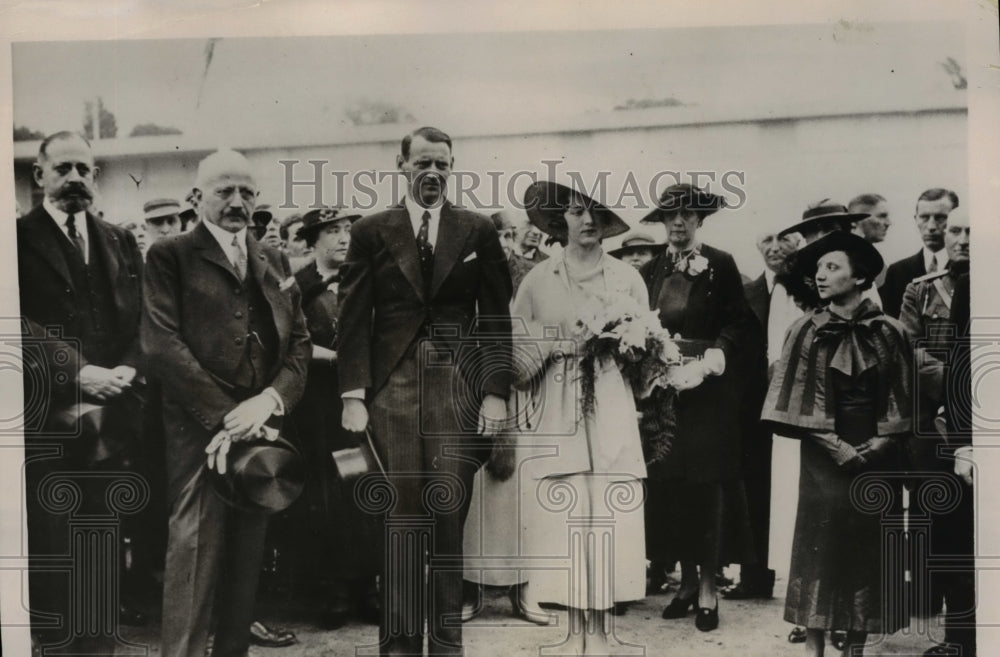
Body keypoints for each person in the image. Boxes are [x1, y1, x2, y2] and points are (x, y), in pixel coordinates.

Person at [337, 126, 512, 656]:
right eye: (423, 165)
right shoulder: (372, 230)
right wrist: (352, 394)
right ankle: (399, 645)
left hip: (456, 386)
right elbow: (352, 316)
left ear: (451, 168)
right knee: (399, 516)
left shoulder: (477, 230)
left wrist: (495, 392)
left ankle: (446, 645)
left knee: (447, 512)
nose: (432, 174)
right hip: (392, 388)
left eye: (442, 165)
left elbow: (496, 318)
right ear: (402, 165)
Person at [141, 149, 311, 657]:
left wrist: (270, 402)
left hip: (261, 431)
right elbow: (161, 344)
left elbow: (299, 342)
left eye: (247, 192)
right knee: (194, 559)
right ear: (197, 198)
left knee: (246, 563)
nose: (238, 202)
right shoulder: (170, 254)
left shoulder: (273, 258)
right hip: (199, 434)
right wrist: (224, 416)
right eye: (224, 191)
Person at [18, 130, 145, 656]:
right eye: (64, 167)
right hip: (47, 415)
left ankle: (99, 645)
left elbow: (145, 318)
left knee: (103, 535)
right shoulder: (14, 239)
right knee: (52, 538)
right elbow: (12, 319)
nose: (75, 178)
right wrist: (77, 371)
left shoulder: (118, 239)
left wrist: (127, 371)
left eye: (84, 169)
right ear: (40, 175)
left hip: (113, 412)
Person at [762, 230, 911, 657]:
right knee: (820, 544)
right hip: (823, 456)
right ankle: (814, 645)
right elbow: (794, 397)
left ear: (860, 276)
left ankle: (857, 646)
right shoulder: (806, 331)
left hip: (875, 456)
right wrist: (835, 446)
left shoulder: (890, 330)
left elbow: (903, 397)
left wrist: (880, 444)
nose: (821, 276)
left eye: (832, 267)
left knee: (868, 545)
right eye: (819, 269)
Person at [513, 178, 646, 655]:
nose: (586, 220)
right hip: (559, 403)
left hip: (609, 401)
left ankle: (603, 636)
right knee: (567, 517)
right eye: (575, 211)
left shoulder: (627, 279)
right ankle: (574, 636)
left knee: (608, 511)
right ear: (558, 221)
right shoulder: (537, 280)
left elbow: (645, 354)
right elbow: (516, 363)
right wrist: (555, 343)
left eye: (595, 211)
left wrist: (620, 344)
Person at [638, 183, 756, 632]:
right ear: (662, 221)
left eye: (687, 215)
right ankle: (685, 583)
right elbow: (640, 325)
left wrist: (714, 357)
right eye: (671, 215)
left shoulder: (721, 264)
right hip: (664, 394)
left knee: (706, 490)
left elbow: (739, 321)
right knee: (671, 488)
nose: (679, 223)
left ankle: (708, 587)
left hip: (707, 395)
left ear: (700, 220)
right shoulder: (650, 270)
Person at [284, 207, 380, 628]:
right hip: (315, 409)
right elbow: (285, 340)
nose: (344, 238)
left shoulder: (367, 276)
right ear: (312, 239)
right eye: (333, 232)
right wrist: (337, 358)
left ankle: (366, 590)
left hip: (359, 406)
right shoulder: (297, 285)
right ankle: (331, 594)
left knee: (360, 493)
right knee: (321, 501)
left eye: (348, 230)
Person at [897, 209, 975, 656]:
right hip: (936, 426)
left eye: (972, 231)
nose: (962, 239)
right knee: (946, 531)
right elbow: (910, 350)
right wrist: (959, 384)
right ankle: (957, 637)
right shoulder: (922, 291)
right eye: (956, 230)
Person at [722, 230, 796, 602]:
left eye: (785, 238)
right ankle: (755, 574)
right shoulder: (747, 292)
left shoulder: (808, 289)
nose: (775, 246)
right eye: (766, 238)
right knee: (755, 486)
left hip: (798, 406)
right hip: (754, 408)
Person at [879, 188, 956, 318]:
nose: (931, 226)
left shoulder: (968, 270)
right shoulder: (897, 272)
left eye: (940, 218)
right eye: (924, 217)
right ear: (916, 219)